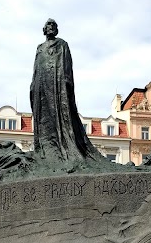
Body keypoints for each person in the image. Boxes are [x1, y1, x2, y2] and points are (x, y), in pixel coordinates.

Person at [30, 19, 102, 162]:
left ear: (56, 30)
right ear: (44, 30)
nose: (50, 27)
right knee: (43, 117)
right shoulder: (39, 48)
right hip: (41, 85)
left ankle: (63, 146)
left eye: (53, 26)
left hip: (57, 85)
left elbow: (67, 65)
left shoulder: (62, 44)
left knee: (61, 116)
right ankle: (46, 148)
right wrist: (33, 85)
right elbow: (36, 68)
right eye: (48, 25)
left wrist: (67, 81)